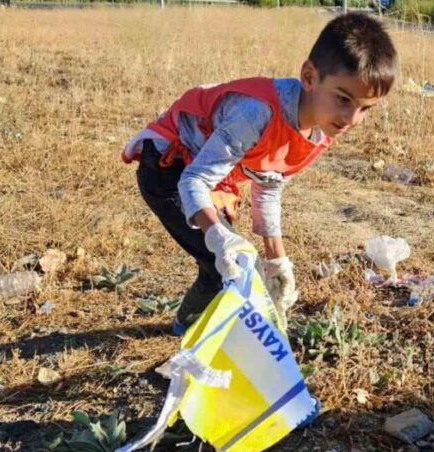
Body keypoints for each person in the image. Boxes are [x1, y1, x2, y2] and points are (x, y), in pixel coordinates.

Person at [123, 12, 398, 335]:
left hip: (210, 173)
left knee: (236, 261)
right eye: (343, 99)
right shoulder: (257, 113)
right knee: (224, 263)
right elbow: (193, 180)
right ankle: (188, 329)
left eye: (366, 108)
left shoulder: (320, 130)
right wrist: (219, 237)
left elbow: (268, 184)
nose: (352, 118)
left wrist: (276, 261)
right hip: (168, 166)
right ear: (309, 76)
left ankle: (202, 325)